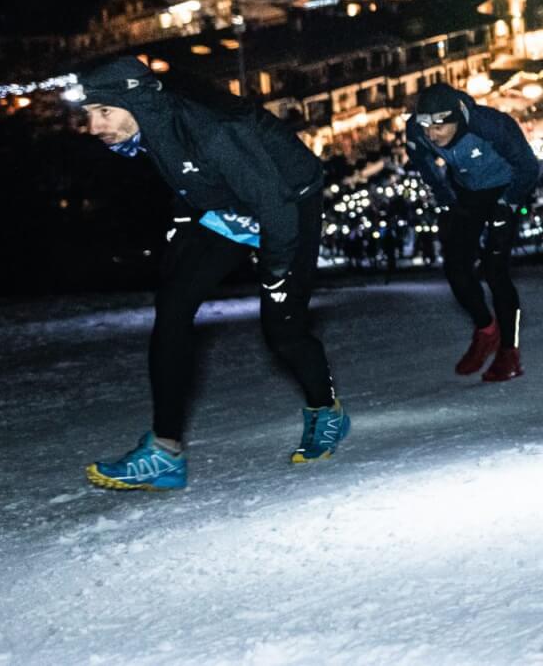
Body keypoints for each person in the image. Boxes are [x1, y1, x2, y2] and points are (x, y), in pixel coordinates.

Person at [71, 57, 346, 490]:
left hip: (288, 198)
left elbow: (274, 206)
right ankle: (165, 452)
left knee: (283, 330)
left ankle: (325, 411)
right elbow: (185, 173)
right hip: (225, 202)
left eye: (104, 112)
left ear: (135, 101)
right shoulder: (154, 122)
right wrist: (183, 227)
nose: (94, 126)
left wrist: (275, 271)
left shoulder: (214, 130)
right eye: (89, 114)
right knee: (173, 305)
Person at [406, 81, 541, 382]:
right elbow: (422, 162)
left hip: (506, 190)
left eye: (439, 127)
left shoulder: (491, 126)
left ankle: (510, 351)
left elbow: (529, 167)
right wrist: (445, 198)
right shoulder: (418, 132)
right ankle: (486, 330)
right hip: (467, 192)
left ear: (457, 118)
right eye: (425, 126)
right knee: (456, 267)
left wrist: (509, 204)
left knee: (495, 271)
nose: (431, 134)